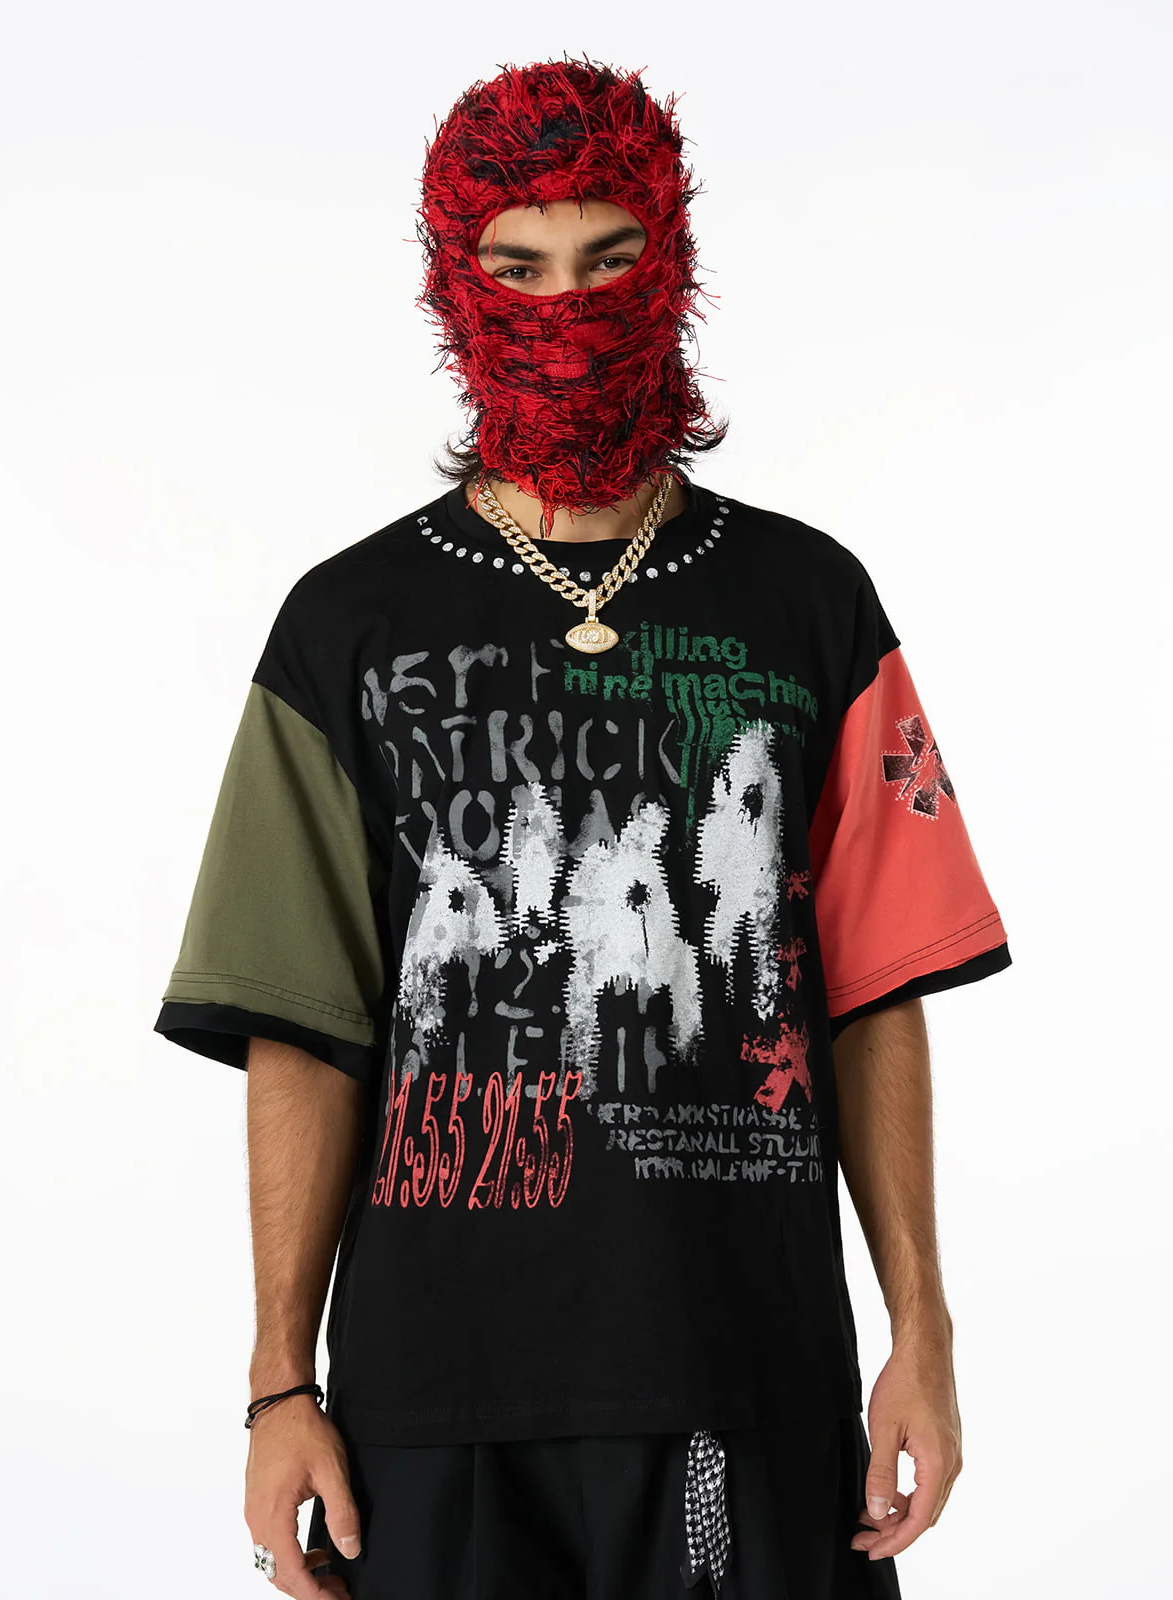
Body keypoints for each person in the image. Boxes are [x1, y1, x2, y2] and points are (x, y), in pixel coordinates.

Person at [153, 54, 1012, 1600]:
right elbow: (303, 1027)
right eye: (522, 266)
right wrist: (281, 1385)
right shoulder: (346, 626)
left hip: (741, 1374)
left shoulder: (810, 602)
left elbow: (876, 993)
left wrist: (924, 1334)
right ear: (454, 284)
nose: (568, 305)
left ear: (672, 260)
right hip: (434, 1402)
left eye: (610, 259)